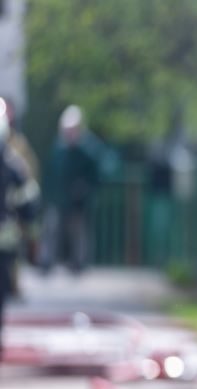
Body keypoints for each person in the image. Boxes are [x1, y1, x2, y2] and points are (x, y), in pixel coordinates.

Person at [0, 100, 39, 358]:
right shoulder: (14, 167)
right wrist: (33, 238)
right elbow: (30, 205)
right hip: (5, 244)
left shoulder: (16, 167)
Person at [43, 105, 102, 273]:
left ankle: (79, 262)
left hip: (77, 201)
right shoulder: (59, 149)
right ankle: (47, 260)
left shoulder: (87, 150)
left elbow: (95, 175)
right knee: (52, 228)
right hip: (58, 198)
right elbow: (50, 174)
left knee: (78, 231)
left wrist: (84, 188)